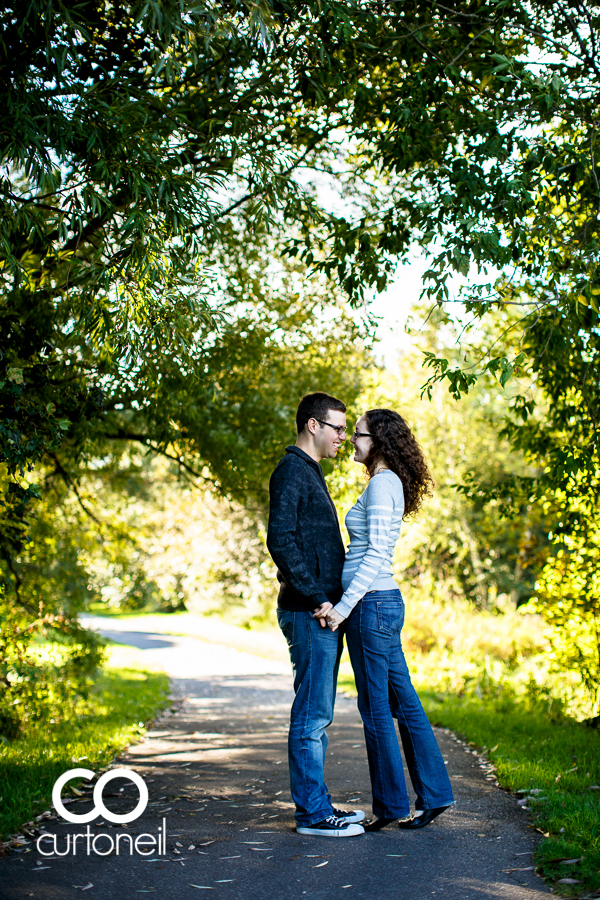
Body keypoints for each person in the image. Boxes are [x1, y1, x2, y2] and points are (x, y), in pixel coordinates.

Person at [314, 408, 454, 830]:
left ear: (378, 440)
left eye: (356, 434)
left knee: (376, 708)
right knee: (402, 702)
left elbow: (374, 555)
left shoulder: (381, 484)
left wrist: (342, 608)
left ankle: (392, 806)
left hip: (371, 605)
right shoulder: (387, 482)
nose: (350, 440)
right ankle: (434, 795)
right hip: (381, 604)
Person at [267, 392, 365, 837]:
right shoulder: (292, 471)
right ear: (313, 425)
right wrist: (316, 598)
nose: (344, 436)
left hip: (322, 611)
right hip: (311, 613)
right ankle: (312, 815)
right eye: (338, 427)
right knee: (312, 716)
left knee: (318, 715)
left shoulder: (309, 473)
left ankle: (318, 804)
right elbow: (281, 539)